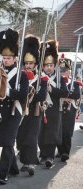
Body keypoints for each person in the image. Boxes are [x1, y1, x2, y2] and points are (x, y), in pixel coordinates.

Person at [0, 28, 29, 185]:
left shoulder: (22, 75)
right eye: (4, 57)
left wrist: (7, 91)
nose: (5, 60)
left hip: (14, 110)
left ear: (15, 58)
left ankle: (3, 174)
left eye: (8, 58)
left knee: (8, 142)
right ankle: (13, 168)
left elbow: (23, 95)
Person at [16, 35, 48, 176]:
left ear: (36, 63)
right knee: (21, 136)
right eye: (26, 63)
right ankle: (25, 160)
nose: (28, 66)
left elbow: (42, 96)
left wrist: (29, 94)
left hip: (35, 111)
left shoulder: (42, 78)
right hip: (22, 110)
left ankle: (30, 163)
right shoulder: (20, 76)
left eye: (31, 63)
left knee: (31, 137)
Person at [38, 40, 69, 168]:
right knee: (41, 133)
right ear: (43, 66)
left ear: (54, 65)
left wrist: (52, 89)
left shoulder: (59, 78)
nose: (49, 67)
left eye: (51, 65)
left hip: (54, 109)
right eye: (46, 65)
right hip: (40, 108)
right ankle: (43, 154)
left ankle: (49, 156)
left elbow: (65, 92)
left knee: (51, 133)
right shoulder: (39, 77)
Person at [57, 56, 81, 162]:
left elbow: (76, 95)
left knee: (67, 132)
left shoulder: (74, 83)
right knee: (58, 131)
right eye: (60, 70)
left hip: (69, 110)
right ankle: (60, 151)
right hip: (58, 109)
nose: (62, 72)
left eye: (64, 70)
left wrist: (66, 95)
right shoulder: (57, 82)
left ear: (69, 71)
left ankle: (65, 152)